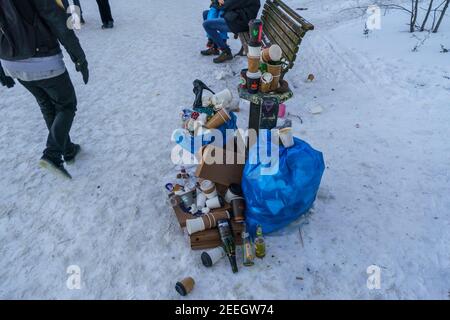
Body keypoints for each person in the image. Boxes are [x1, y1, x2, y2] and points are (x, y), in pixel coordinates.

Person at [0, 0, 89, 179]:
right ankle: (52, 154)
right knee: (66, 105)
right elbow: (58, 21)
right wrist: (79, 57)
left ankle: (68, 150)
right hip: (42, 59)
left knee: (47, 105)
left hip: (10, 61)